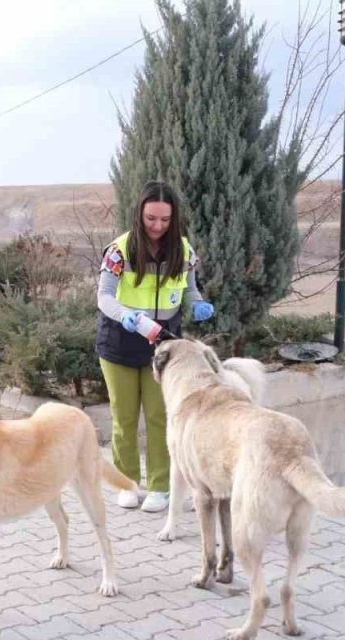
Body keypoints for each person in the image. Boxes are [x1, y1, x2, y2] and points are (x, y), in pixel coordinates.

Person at [95, 180, 214, 513]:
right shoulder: (119, 250)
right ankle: (127, 483)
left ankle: (162, 486)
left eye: (165, 220)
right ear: (139, 215)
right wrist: (126, 316)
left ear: (173, 219)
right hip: (120, 341)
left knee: (161, 416)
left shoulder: (184, 250)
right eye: (151, 219)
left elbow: (189, 289)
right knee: (124, 417)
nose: (158, 226)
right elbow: (103, 296)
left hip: (164, 347)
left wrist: (198, 304)